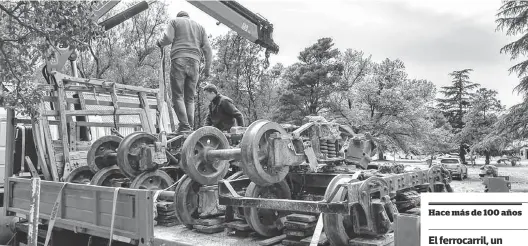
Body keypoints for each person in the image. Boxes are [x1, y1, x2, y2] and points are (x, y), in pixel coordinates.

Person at [157, 11, 212, 133]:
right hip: (195, 63)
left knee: (178, 96)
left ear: (179, 16)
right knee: (190, 98)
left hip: (179, 60)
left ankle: (185, 127)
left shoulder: (175, 21)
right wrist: (207, 68)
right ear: (188, 16)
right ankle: (189, 127)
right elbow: (207, 48)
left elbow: (168, 38)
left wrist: (159, 43)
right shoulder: (200, 27)